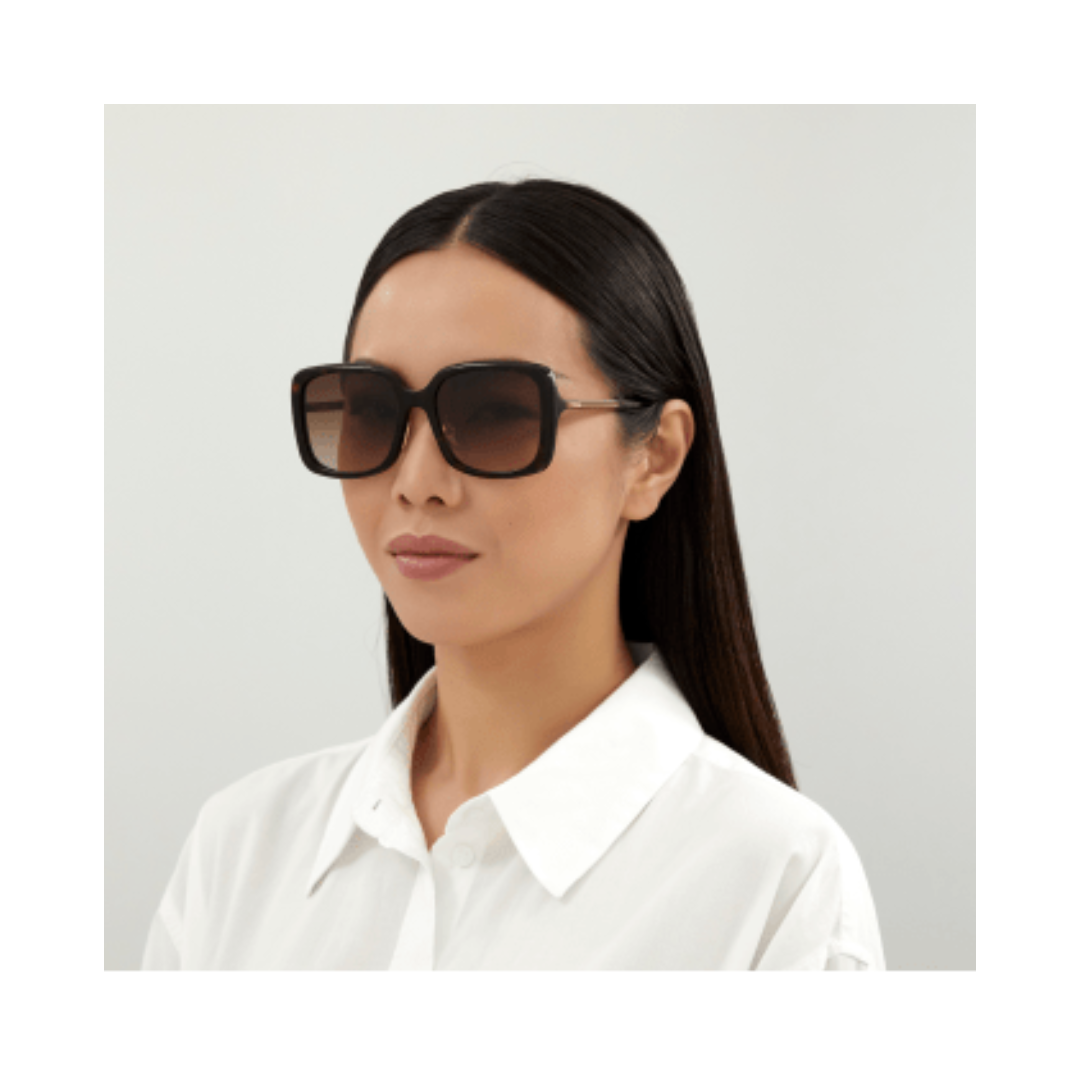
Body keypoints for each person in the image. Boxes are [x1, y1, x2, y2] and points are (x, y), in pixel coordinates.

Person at [140, 178, 886, 970]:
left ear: (654, 457)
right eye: (372, 410)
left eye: (495, 412)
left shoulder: (775, 883)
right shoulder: (239, 853)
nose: (416, 481)